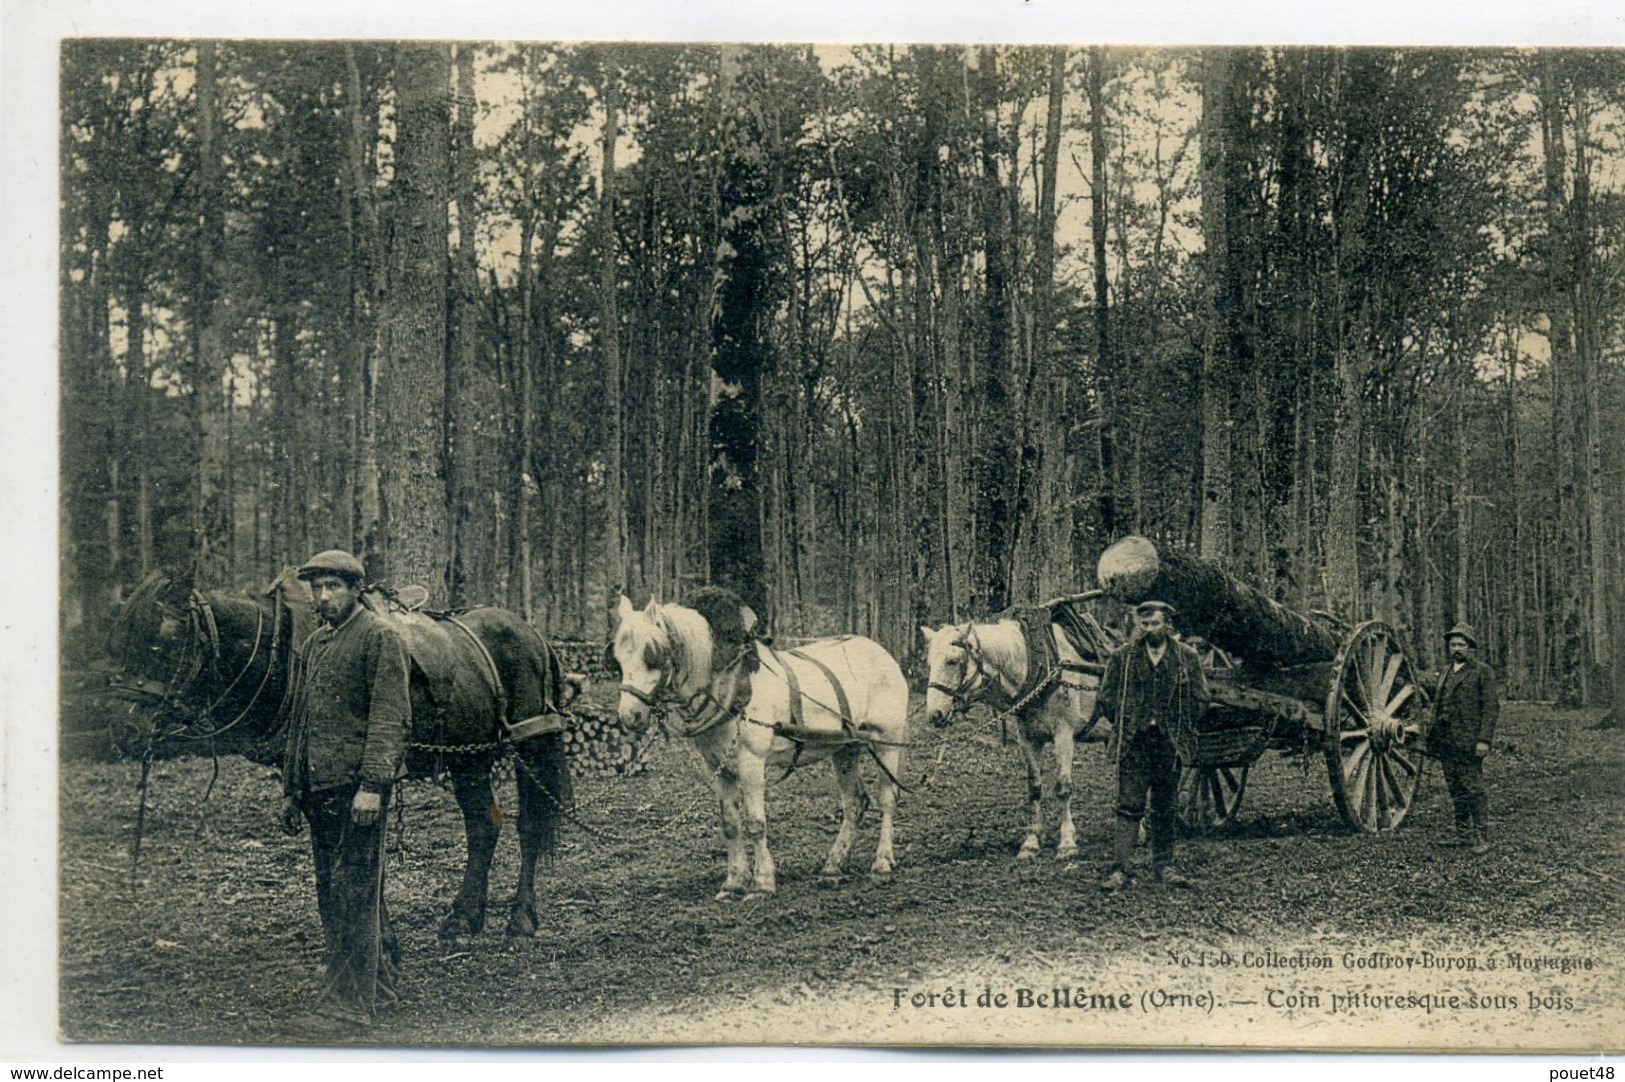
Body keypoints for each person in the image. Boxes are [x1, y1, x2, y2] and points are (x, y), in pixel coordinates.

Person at [280, 549, 411, 1030]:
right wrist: (292, 788)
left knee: (354, 893)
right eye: (316, 588)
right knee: (333, 893)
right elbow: (301, 720)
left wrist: (373, 785)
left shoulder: (379, 637)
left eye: (333, 586)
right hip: (318, 789)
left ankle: (350, 1007)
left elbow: (390, 717)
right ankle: (377, 986)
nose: (323, 596)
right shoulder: (315, 644)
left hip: (357, 793)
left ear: (356, 589)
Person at [1093, 600, 1209, 892]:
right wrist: (1128, 720)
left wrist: (1179, 724)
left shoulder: (1186, 657)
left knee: (1165, 805)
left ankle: (1164, 867)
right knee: (1129, 805)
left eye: (1154, 624)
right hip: (1135, 741)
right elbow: (1106, 698)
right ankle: (1120, 869)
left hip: (1170, 742)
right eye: (1144, 624)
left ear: (1167, 624)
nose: (1149, 630)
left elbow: (1200, 698)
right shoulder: (1124, 657)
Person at [1429, 623, 1498, 855]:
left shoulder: (1482, 671)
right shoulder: (1446, 672)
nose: (1457, 648)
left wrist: (1484, 740)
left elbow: (1491, 708)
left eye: (1461, 645)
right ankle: (1462, 834)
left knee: (1473, 787)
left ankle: (1482, 836)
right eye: (1453, 644)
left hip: (1469, 741)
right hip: (1447, 741)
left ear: (1470, 648)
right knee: (1455, 787)